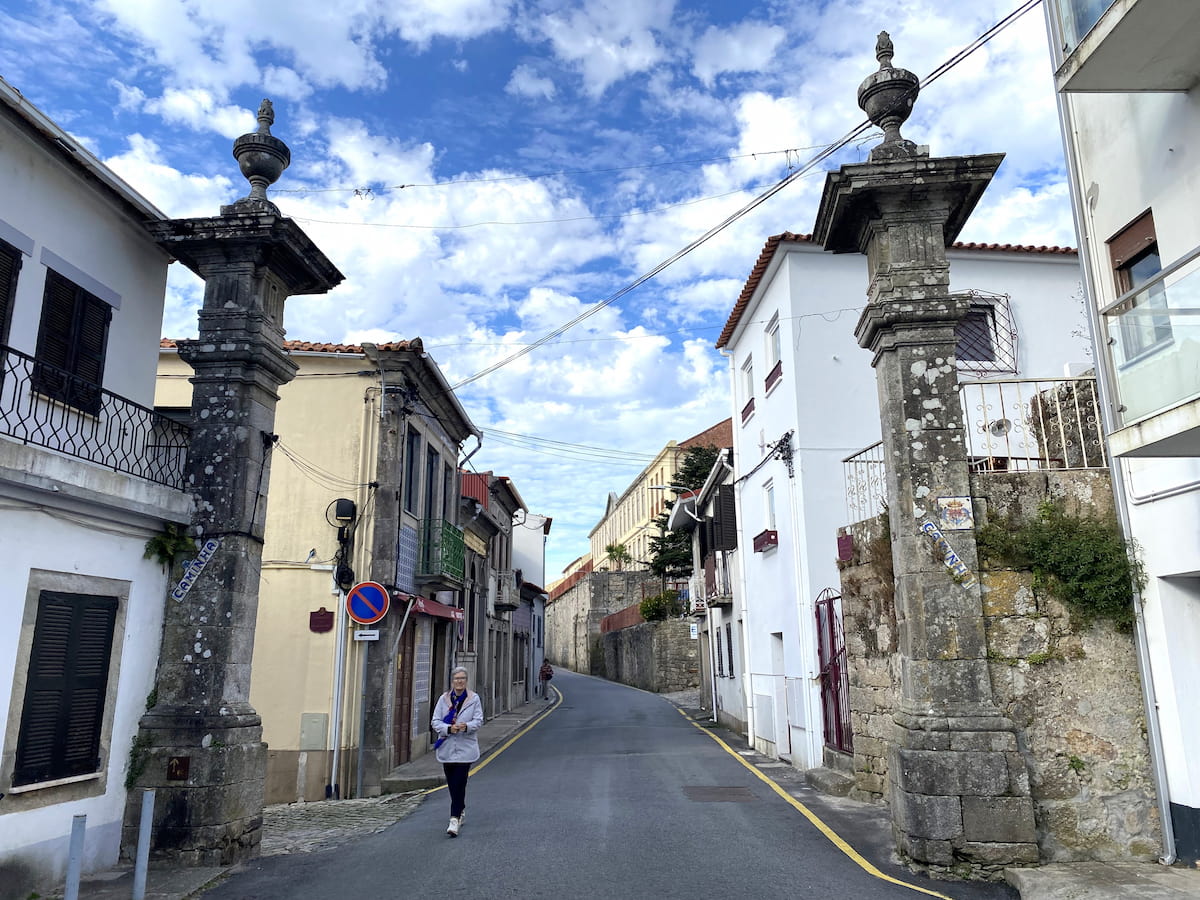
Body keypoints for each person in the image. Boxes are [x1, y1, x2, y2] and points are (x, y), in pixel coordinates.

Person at [431, 666, 483, 837]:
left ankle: (454, 819)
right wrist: (448, 728)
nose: (459, 681)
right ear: (452, 681)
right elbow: (435, 722)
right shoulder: (443, 700)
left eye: (462, 678)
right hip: (447, 748)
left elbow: (478, 721)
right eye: (456, 679)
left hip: (465, 748)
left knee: (460, 781)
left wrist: (466, 726)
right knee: (452, 783)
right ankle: (460, 810)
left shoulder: (473, 699)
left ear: (466, 681)